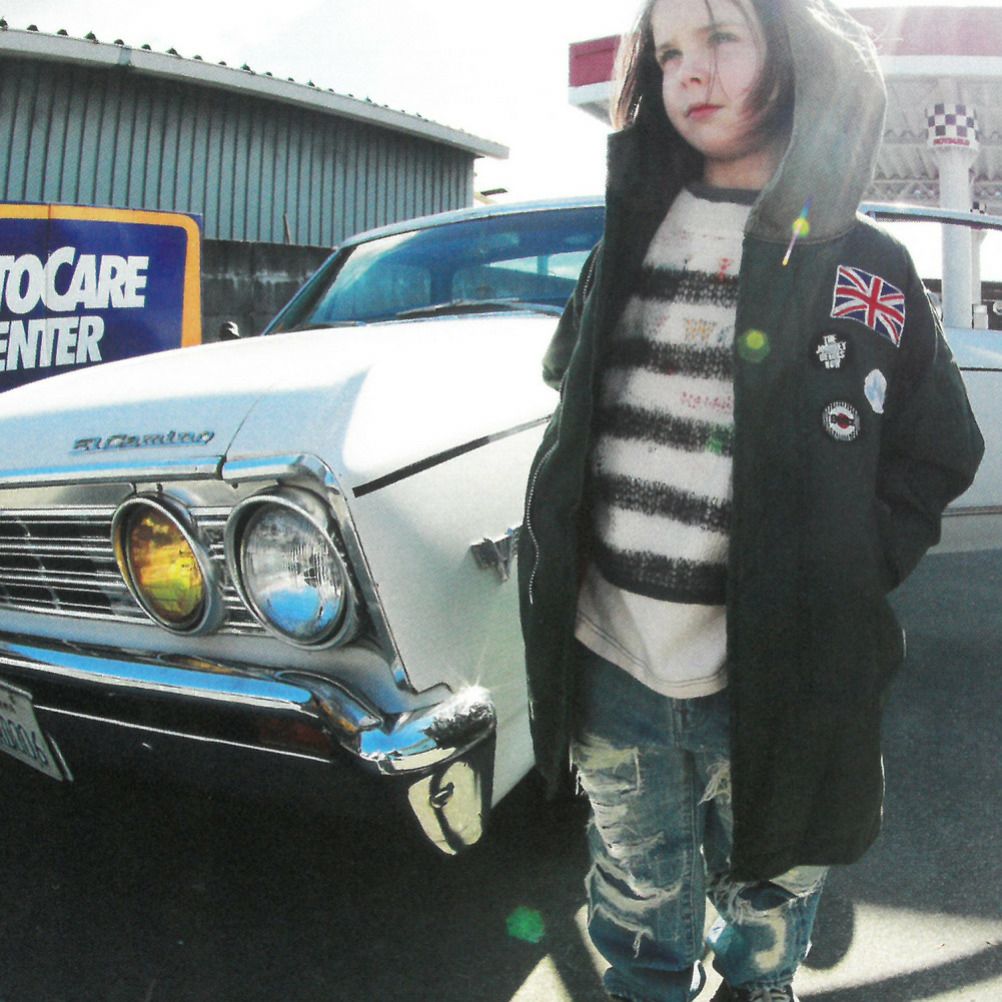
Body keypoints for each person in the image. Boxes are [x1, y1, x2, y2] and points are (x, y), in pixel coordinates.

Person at [516, 0, 985, 1000]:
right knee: (638, 907)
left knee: (772, 899)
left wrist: (850, 567)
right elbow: (570, 387)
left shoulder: (867, 267)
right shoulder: (627, 244)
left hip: (786, 675)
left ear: (797, 50)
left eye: (722, 36)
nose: (690, 69)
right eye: (668, 51)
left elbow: (939, 447)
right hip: (614, 662)